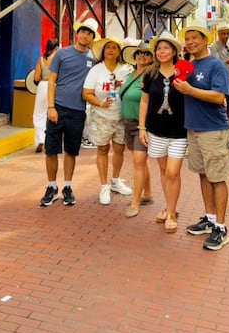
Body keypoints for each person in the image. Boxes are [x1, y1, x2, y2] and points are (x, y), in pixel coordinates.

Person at [174, 25, 229, 251]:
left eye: (194, 38)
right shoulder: (187, 65)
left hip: (213, 129)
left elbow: (219, 97)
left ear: (205, 39)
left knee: (217, 177)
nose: (190, 42)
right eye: (187, 39)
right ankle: (209, 218)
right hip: (194, 128)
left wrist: (190, 90)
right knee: (203, 175)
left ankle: (221, 226)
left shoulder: (216, 65)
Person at [42, 18, 99, 207]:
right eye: (82, 31)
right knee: (51, 150)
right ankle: (51, 187)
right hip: (57, 108)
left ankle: (67, 186)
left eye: (89, 33)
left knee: (71, 151)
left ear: (92, 37)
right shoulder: (62, 54)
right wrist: (51, 107)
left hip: (78, 111)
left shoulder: (93, 58)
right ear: (77, 33)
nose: (85, 35)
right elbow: (51, 81)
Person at [139, 32, 189, 233]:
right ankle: (170, 208)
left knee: (172, 171)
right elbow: (144, 102)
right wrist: (142, 127)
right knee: (162, 170)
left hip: (179, 130)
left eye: (166, 48)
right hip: (156, 130)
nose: (162, 51)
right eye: (159, 48)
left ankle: (171, 212)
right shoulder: (150, 74)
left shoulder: (183, 72)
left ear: (175, 51)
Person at [82, 36, 134, 205]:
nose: (111, 50)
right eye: (108, 47)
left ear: (119, 52)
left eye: (114, 47)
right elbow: (87, 93)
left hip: (121, 117)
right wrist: (101, 103)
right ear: (103, 51)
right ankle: (104, 185)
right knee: (103, 150)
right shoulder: (96, 70)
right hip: (102, 117)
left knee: (119, 149)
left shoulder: (126, 69)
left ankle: (115, 181)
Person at [119, 42, 156, 217]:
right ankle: (147, 193)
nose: (142, 56)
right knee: (141, 161)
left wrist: (145, 126)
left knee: (138, 162)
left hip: (142, 125)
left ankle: (135, 202)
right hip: (128, 123)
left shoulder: (151, 76)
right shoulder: (131, 74)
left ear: (152, 58)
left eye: (147, 53)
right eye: (139, 53)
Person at [32, 39, 59, 153]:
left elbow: (36, 77)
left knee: (39, 114)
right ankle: (51, 140)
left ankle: (40, 139)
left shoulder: (41, 60)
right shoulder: (58, 59)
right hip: (55, 86)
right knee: (53, 113)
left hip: (43, 86)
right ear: (56, 48)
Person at [208, 23, 229, 120]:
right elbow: (216, 63)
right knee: (220, 102)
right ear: (219, 34)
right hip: (220, 78)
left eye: (227, 33)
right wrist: (228, 61)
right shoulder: (214, 47)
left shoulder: (228, 45)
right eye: (223, 33)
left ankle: (228, 124)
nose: (226, 36)